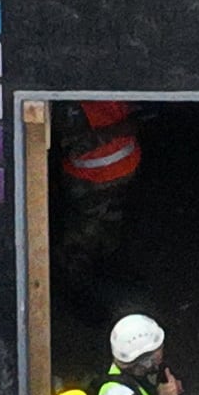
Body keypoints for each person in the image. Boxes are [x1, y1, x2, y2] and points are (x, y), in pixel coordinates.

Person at [56, 101, 141, 278]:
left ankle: (90, 276)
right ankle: (87, 276)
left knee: (97, 228)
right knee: (93, 229)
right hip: (97, 177)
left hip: (101, 177)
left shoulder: (73, 101)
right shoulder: (73, 102)